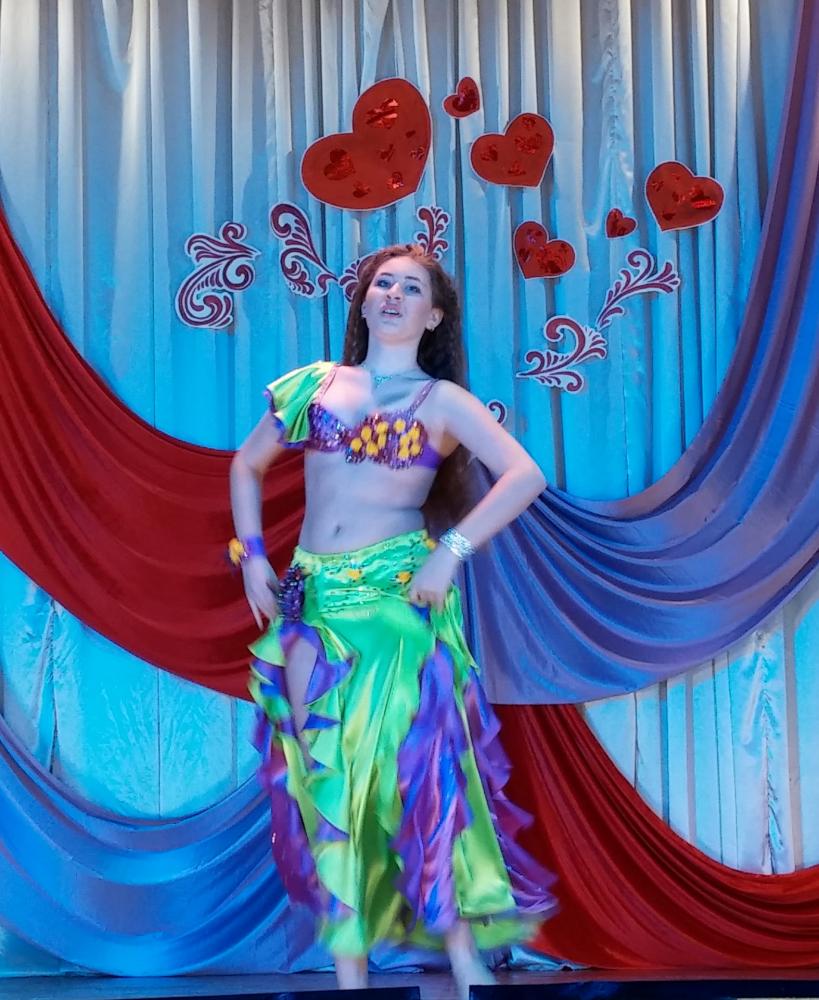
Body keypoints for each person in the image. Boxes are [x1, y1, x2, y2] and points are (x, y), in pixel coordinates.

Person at [229, 244, 557, 998]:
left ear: (433, 315)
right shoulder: (316, 383)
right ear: (364, 299)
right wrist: (251, 556)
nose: (393, 295)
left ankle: (464, 958)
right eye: (383, 283)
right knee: (327, 782)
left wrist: (452, 551)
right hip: (314, 602)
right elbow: (246, 465)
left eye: (411, 288)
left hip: (396, 599)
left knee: (418, 776)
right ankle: (350, 973)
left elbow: (525, 476)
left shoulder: (442, 401)